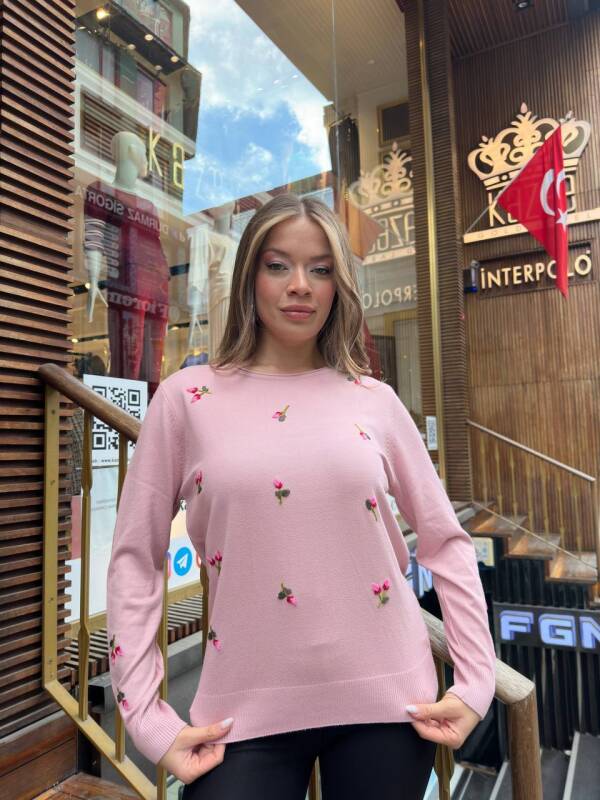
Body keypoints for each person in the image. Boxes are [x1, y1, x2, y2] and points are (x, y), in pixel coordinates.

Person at [106, 193, 497, 799]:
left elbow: (446, 543)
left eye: (320, 269)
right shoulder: (186, 399)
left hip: (390, 702)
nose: (300, 285)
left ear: (338, 286)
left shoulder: (375, 401)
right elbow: (135, 559)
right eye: (277, 265)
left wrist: (475, 683)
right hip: (238, 711)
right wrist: (147, 717)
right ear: (249, 277)